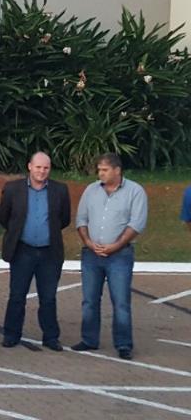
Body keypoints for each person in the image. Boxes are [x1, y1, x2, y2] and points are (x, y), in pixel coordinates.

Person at [72, 153, 147, 361]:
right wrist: (87, 242)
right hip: (91, 254)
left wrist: (116, 245)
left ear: (117, 170)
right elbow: (81, 219)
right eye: (99, 170)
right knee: (89, 300)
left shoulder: (135, 191)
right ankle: (89, 339)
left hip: (120, 255)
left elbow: (136, 224)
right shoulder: (91, 190)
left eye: (104, 170)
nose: (100, 174)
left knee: (121, 300)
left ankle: (123, 344)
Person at [0, 152, 71, 351]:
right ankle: (11, 334)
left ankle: (51, 337)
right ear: (30, 166)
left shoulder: (60, 190)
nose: (42, 171)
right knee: (17, 295)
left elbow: (64, 219)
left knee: (48, 297)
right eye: (38, 167)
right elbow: (4, 217)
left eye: (46, 168)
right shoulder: (13, 189)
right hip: (22, 250)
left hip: (49, 253)